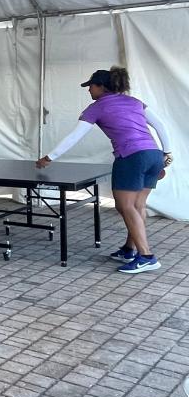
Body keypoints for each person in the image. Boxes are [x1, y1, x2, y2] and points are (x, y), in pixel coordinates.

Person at [36, 67, 172, 273]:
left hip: (131, 157)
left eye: (90, 86)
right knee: (137, 205)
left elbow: (74, 137)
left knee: (126, 207)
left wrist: (49, 157)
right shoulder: (135, 102)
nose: (88, 90)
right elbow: (160, 125)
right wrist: (167, 153)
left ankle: (146, 256)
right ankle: (129, 249)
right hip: (153, 154)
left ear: (101, 86)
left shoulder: (97, 107)